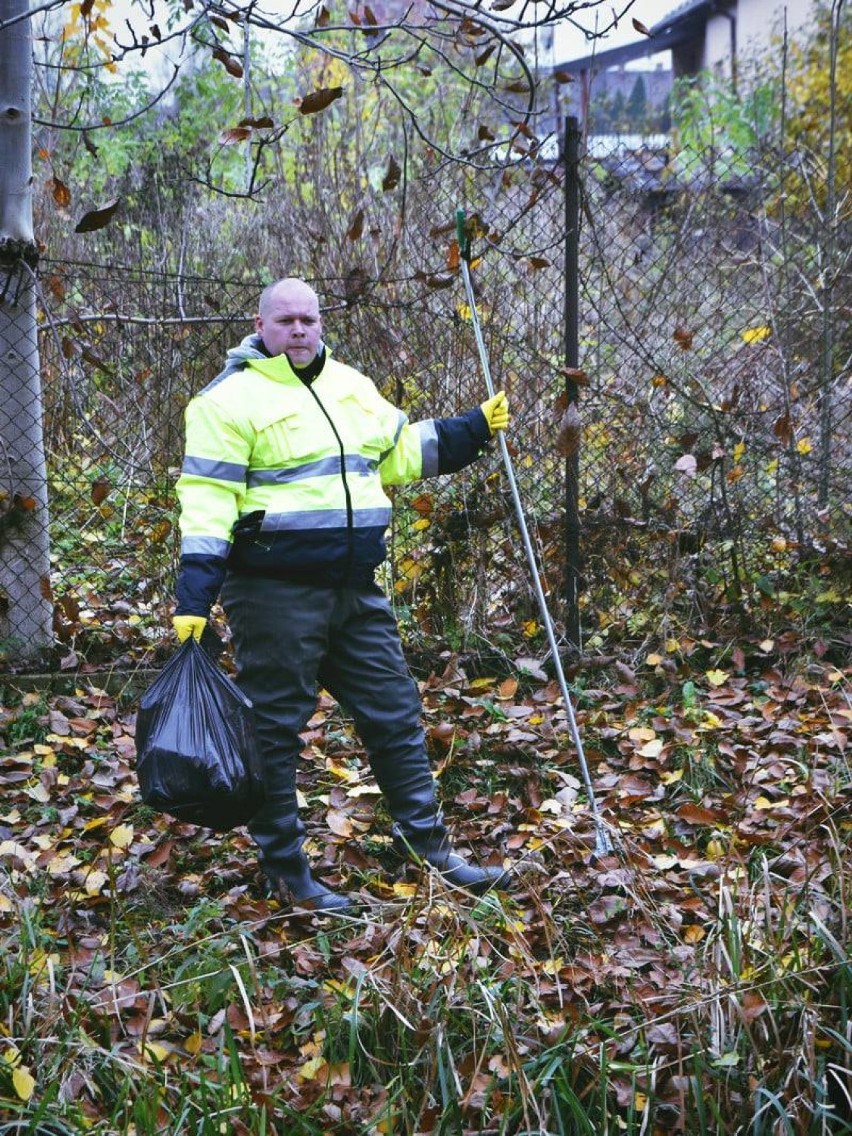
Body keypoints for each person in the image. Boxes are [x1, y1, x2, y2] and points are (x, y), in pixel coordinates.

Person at [171, 277, 512, 913]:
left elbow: (398, 453)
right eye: (286, 321)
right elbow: (208, 503)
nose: (298, 330)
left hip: (355, 590)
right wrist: (194, 597)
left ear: (320, 324)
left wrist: (471, 431)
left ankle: (431, 851)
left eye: (309, 320)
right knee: (276, 730)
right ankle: (287, 871)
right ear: (261, 325)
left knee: (394, 712)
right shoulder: (226, 402)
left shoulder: (351, 387)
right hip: (274, 594)